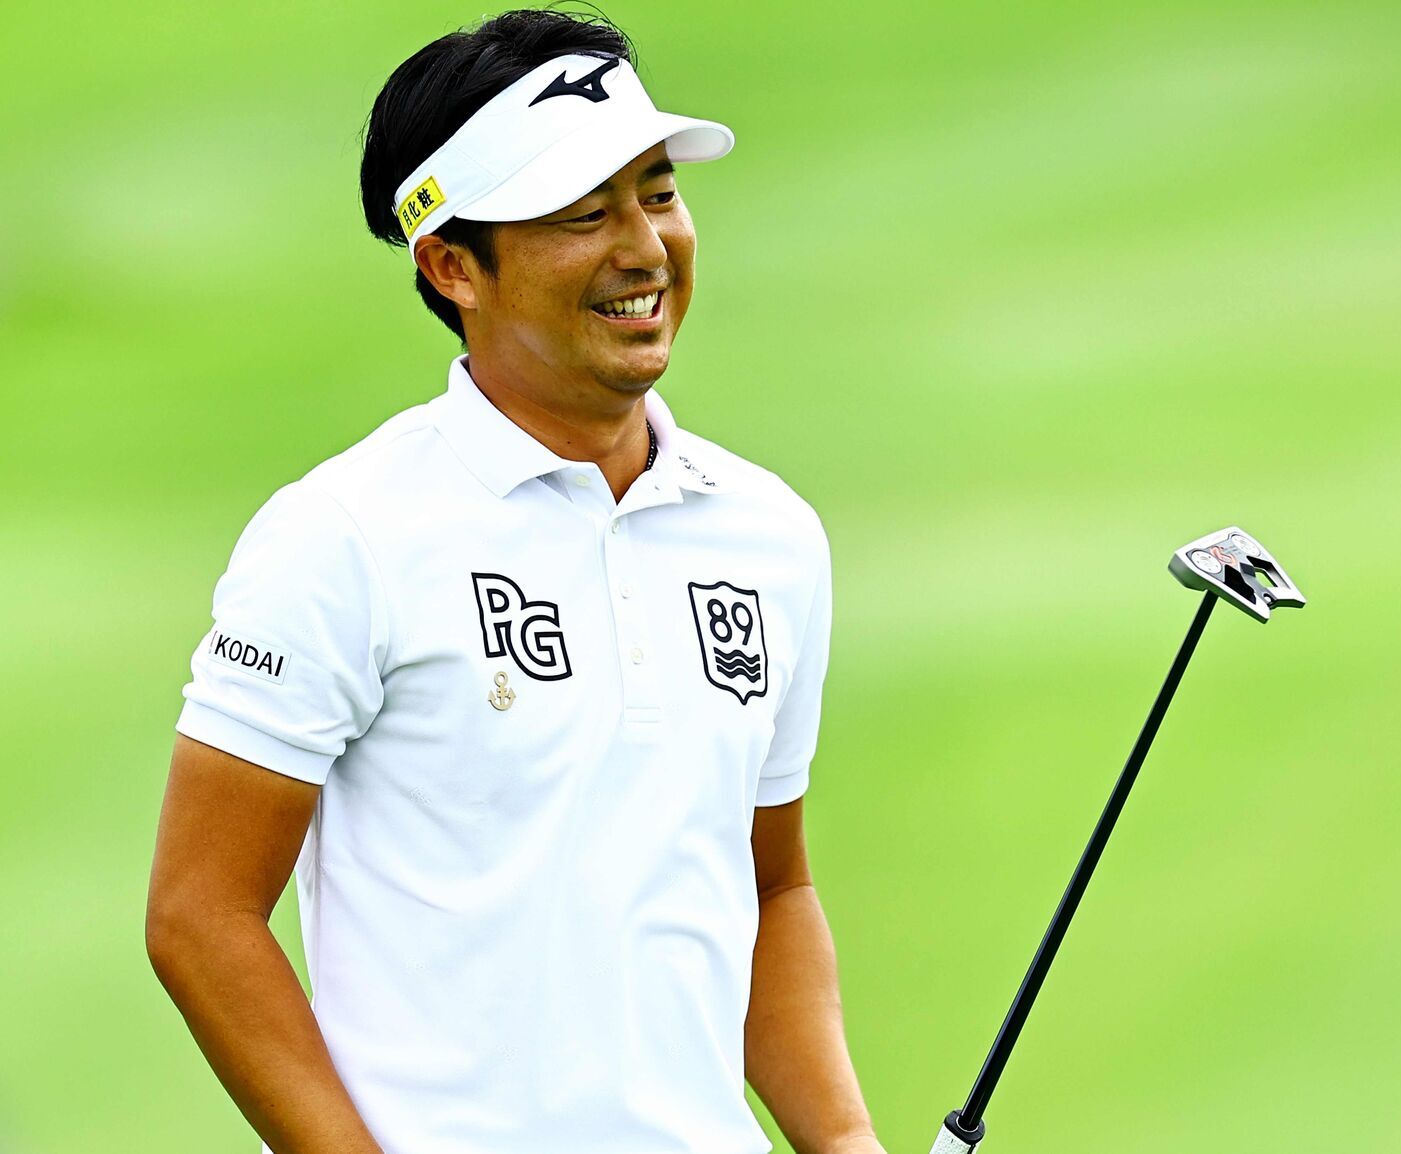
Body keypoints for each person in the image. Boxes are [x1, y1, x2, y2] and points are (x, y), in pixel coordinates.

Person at [144, 11, 885, 1154]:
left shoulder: (768, 533)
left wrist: (843, 1142)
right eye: (584, 213)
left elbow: (770, 884)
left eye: (657, 193)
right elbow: (201, 913)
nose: (644, 247)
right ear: (452, 264)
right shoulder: (343, 533)